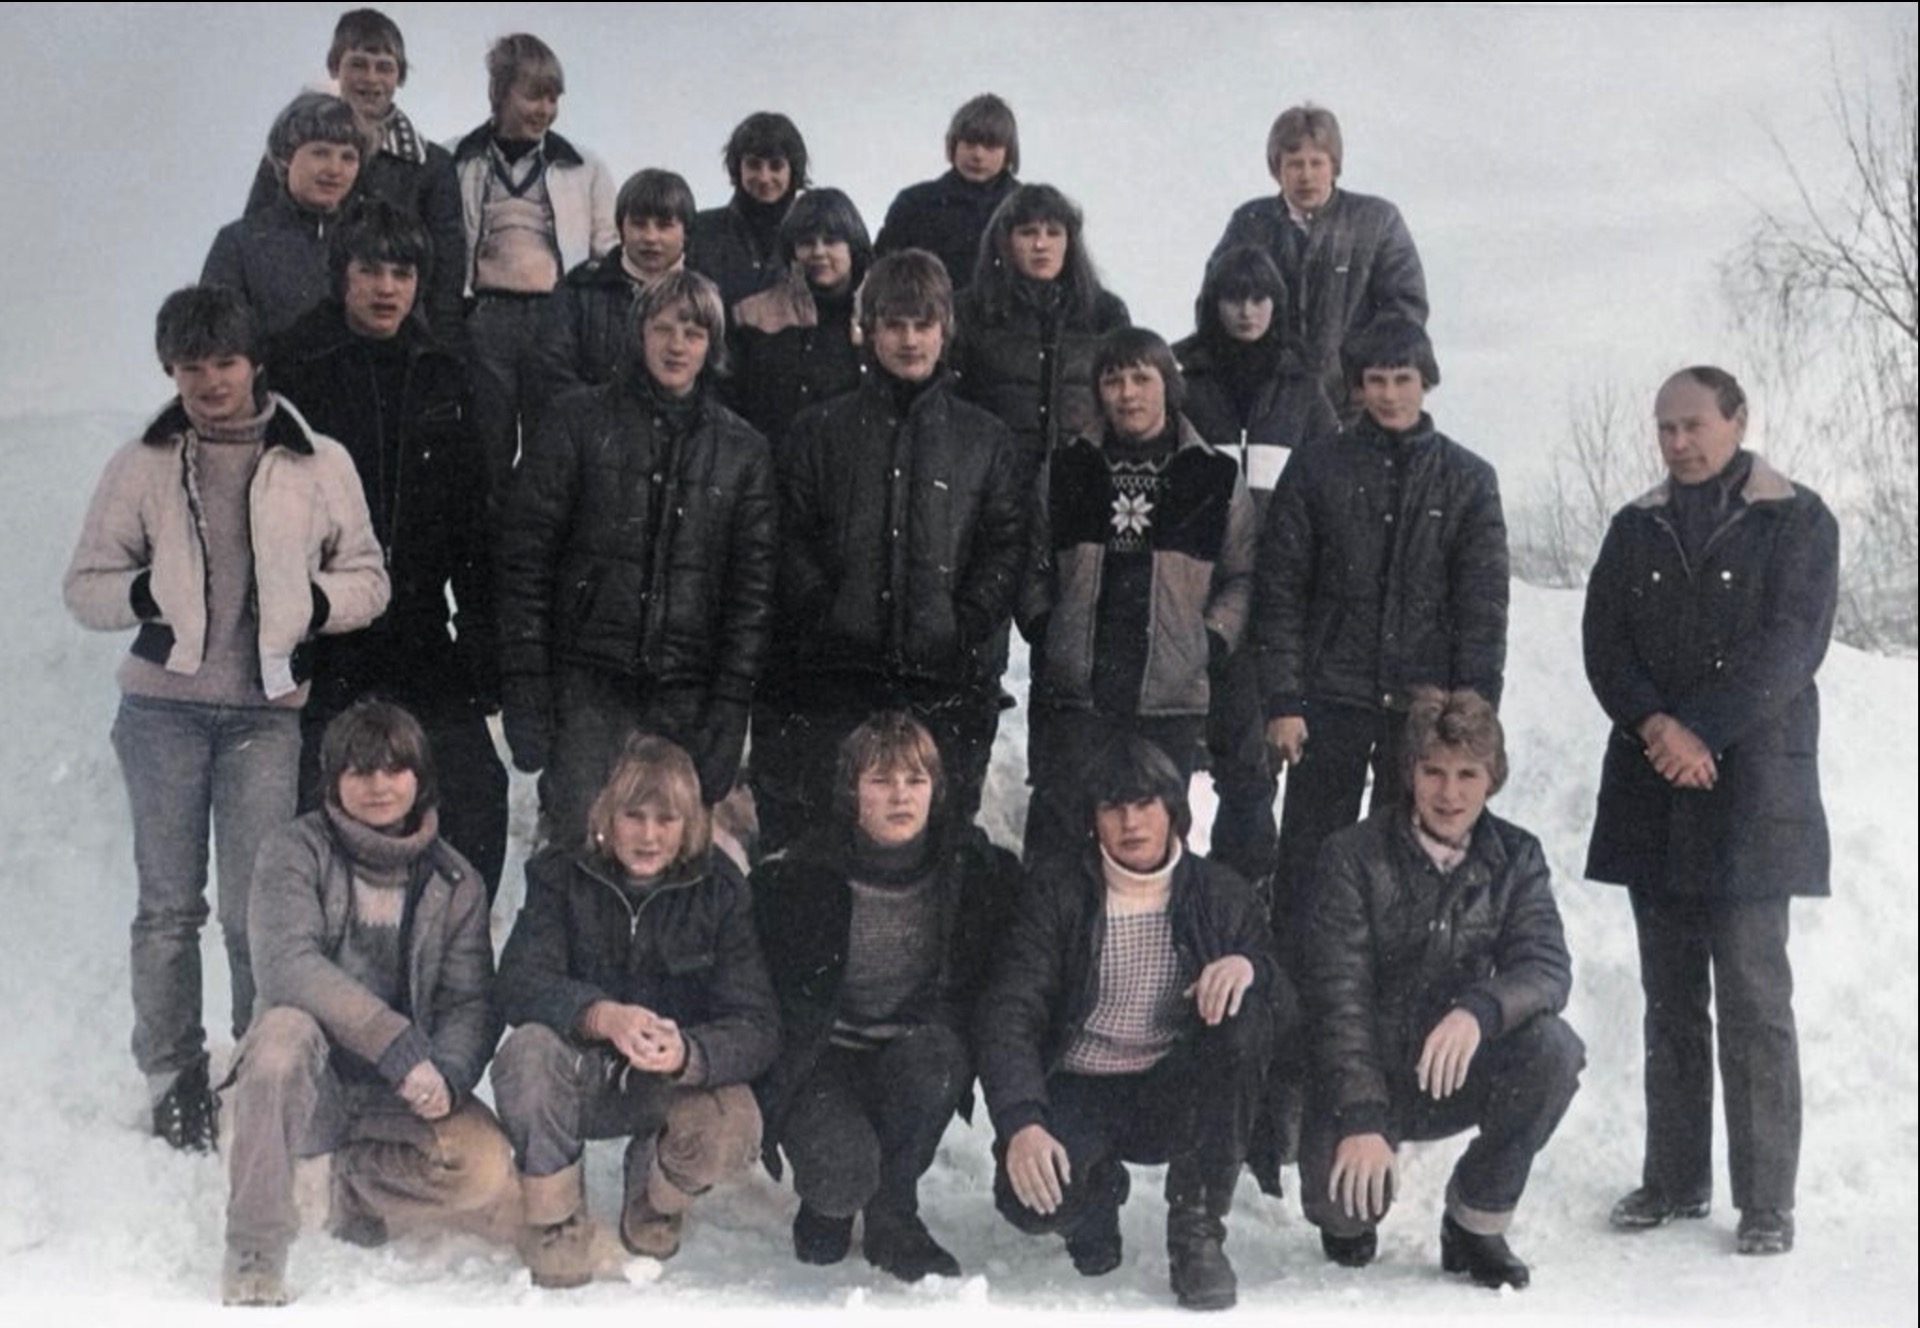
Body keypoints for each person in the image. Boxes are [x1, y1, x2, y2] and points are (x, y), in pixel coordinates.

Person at [63, 285, 389, 1153]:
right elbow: (85, 586)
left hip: (265, 719)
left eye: (225, 362)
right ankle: (173, 1074)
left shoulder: (317, 461)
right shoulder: (141, 463)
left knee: (256, 912)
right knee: (169, 908)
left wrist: (313, 603)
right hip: (162, 714)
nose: (210, 382)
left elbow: (369, 577)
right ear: (170, 371)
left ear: (256, 364)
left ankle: (259, 1065)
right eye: (190, 366)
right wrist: (145, 592)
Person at [1583, 366, 1838, 1257]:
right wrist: (1657, 726)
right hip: (1654, 790)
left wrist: (1701, 731)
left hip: (1754, 795)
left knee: (1756, 1003)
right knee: (1670, 1002)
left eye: (1694, 424)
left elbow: (1792, 646)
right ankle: (1674, 1178)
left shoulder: (1799, 520)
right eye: (1665, 427)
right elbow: (1604, 645)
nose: (1678, 442)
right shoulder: (1634, 527)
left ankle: (1766, 1201)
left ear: (1738, 420)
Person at [221, 701, 516, 1306]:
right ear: (332, 781)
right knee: (279, 1037)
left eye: (394, 770)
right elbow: (286, 965)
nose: (378, 785)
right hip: (314, 1081)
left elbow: (469, 1002)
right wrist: (394, 1041)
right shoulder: (293, 851)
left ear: (419, 779)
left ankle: (348, 1184)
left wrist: (448, 1076)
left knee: (483, 1165)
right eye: (359, 771)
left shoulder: (457, 881)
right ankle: (255, 1247)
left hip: (397, 1092)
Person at [975, 735, 1277, 1310]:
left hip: (1168, 1087)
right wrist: (1022, 1122)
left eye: (1145, 805)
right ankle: (1094, 1195)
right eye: (1113, 808)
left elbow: (1283, 998)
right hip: (1079, 1083)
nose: (1131, 823)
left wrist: (1249, 967)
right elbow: (1009, 1009)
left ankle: (1197, 1230)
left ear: (1173, 811)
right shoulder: (1057, 892)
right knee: (1030, 1203)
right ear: (1094, 820)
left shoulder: (1219, 893)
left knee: (1245, 1022)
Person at [1299, 689, 1583, 1291]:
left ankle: (1475, 1220)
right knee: (1343, 1214)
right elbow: (1338, 998)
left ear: (1492, 779)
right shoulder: (1352, 856)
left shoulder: (1516, 857)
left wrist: (1479, 1012)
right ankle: (1353, 1204)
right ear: (1410, 773)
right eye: (1433, 772)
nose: (1449, 793)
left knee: (1553, 1049)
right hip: (1367, 1071)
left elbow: (1546, 966)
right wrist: (1362, 1115)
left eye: (1467, 775)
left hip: (1452, 1068)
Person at [269, 200, 507, 898]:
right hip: (324, 635)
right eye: (369, 270)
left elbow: (472, 522)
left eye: (402, 273)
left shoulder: (442, 371)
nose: (386, 288)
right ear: (340, 275)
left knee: (475, 789)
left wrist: (480, 643)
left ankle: (455, 950)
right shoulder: (295, 367)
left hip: (418, 629)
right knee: (317, 800)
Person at [1254, 318, 1508, 960]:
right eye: (1375, 380)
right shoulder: (1318, 468)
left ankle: (1397, 1000)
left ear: (1426, 382)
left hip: (1424, 710)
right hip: (1330, 699)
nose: (1390, 394)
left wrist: (1471, 718)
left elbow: (1483, 612)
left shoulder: (1468, 480)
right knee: (1310, 859)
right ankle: (1295, 1004)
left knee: (1409, 862)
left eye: (1402, 379)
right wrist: (1284, 700)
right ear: (1357, 387)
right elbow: (1281, 591)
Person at [758, 249, 1027, 853]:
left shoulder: (985, 440)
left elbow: (1005, 545)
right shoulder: (819, 431)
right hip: (839, 681)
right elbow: (789, 535)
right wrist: (825, 613)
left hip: (946, 680)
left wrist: (966, 621)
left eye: (923, 324)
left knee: (941, 849)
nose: (909, 340)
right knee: (832, 845)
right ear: (868, 329)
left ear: (945, 330)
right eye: (895, 324)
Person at [497, 269, 777, 845]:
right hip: (588, 689)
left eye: (694, 333)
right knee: (580, 847)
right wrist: (527, 686)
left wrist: (729, 709)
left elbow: (750, 595)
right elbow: (526, 562)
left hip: (685, 694)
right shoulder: (577, 421)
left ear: (712, 346)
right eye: (663, 328)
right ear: (638, 332)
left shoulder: (743, 451)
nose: (677, 346)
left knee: (668, 855)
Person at [491, 736, 778, 1286]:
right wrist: (599, 1015)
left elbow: (757, 1024)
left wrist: (688, 1053)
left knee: (735, 1120)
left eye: (666, 819)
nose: (649, 835)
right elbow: (518, 982)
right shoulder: (559, 873)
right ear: (607, 815)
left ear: (689, 824)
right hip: (581, 1074)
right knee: (525, 1053)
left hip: (668, 1083)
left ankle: (654, 1195)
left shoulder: (721, 890)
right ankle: (555, 1218)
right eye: (634, 816)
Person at [752, 713, 1020, 1280]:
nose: (901, 795)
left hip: (908, 1053)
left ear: (935, 791)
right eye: (881, 780)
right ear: (852, 792)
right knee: (839, 1180)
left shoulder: (971, 872)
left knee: (939, 1059)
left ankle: (894, 1211)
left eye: (915, 780)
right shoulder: (802, 875)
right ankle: (830, 1200)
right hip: (822, 1060)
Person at [1019, 327, 1255, 869]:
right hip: (1078, 698)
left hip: (1167, 698)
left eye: (1141, 378)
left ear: (1168, 385)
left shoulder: (1214, 476)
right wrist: (1048, 630)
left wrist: (1208, 642)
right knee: (1061, 847)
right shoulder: (1067, 469)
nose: (1127, 393)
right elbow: (1033, 566)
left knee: (1149, 846)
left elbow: (1240, 575)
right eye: (1113, 379)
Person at [1175, 244, 1337, 886]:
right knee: (1199, 759)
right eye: (1233, 298)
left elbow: (1327, 483)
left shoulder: (1303, 387)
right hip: (1197, 593)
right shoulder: (1185, 378)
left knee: (1251, 763)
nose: (1246, 311)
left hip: (1276, 595)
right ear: (1213, 303)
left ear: (1277, 304)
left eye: (1259, 298)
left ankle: (1243, 893)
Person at [449, 32, 617, 494]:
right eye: (533, 96)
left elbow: (607, 249)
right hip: (488, 317)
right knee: (488, 442)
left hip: (556, 316)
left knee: (552, 442)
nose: (545, 109)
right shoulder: (457, 158)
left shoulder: (584, 166)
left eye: (553, 98)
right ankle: (488, 537)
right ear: (500, 93)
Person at [241, 9, 467, 351]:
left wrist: (444, 352)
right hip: (301, 336)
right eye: (358, 64)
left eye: (384, 68)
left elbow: (446, 272)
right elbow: (256, 236)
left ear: (400, 76)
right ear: (335, 67)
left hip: (397, 342)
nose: (371, 79)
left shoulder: (430, 165)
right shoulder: (294, 148)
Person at [1210, 103, 1427, 417]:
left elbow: (1405, 310)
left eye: (1317, 163)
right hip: (1271, 405)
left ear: (1334, 166)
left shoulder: (1377, 221)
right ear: (1276, 169)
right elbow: (1214, 303)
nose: (1306, 176)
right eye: (1295, 164)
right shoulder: (1250, 223)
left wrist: (1369, 381)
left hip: (1354, 405)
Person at [953, 182, 1130, 487]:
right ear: (1006, 241)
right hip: (990, 486)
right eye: (1028, 232)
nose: (1041, 244)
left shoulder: (1105, 313)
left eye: (1053, 233)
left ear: (1069, 242)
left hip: (1083, 484)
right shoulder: (971, 311)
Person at [528, 167, 697, 433]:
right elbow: (551, 368)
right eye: (639, 224)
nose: (650, 237)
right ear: (620, 227)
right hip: (592, 435)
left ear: (686, 232)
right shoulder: (580, 287)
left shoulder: (706, 295)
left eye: (664, 226)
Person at [203, 93, 364, 338]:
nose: (335, 169)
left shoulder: (371, 240)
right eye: (320, 153)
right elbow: (215, 343)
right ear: (286, 156)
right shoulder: (240, 243)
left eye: (348, 157)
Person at [726, 186, 870, 446]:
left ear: (853, 246)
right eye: (806, 242)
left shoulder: (879, 311)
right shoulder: (752, 314)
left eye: (831, 241)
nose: (818, 252)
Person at [874, 93, 1020, 292]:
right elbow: (881, 271)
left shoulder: (1027, 208)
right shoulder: (915, 204)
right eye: (969, 143)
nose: (978, 155)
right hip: (930, 309)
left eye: (990, 146)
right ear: (953, 145)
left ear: (1008, 151)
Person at [688, 111, 809, 310]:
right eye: (754, 165)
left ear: (793, 169)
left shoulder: (812, 234)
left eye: (776, 166)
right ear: (738, 167)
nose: (764, 177)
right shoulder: (703, 231)